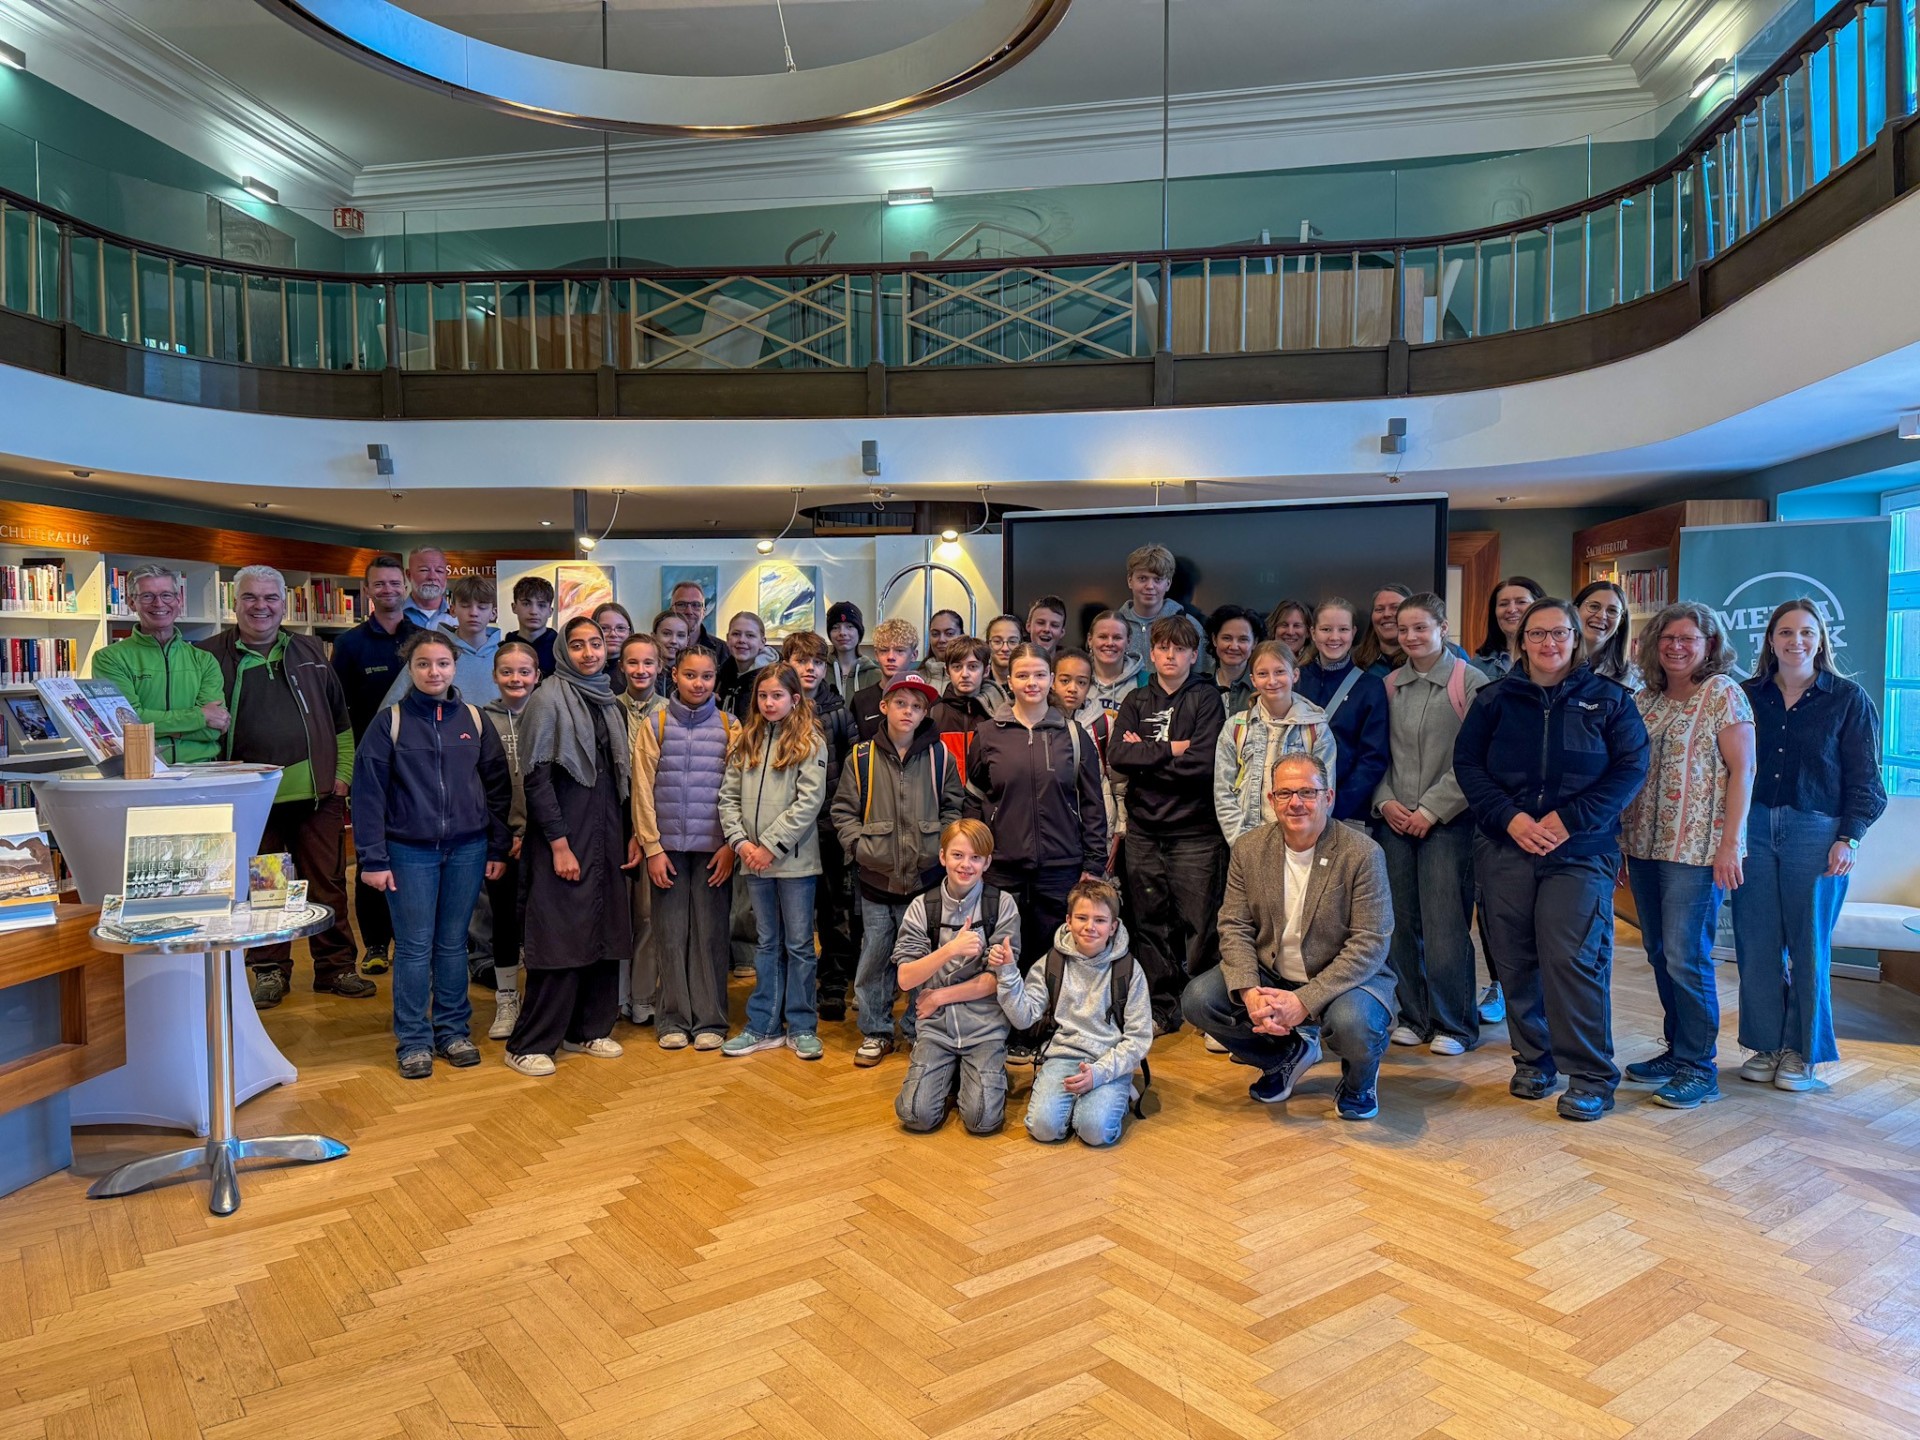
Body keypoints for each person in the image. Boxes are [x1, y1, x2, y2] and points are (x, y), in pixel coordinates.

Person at [1454, 597, 1649, 1121]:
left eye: (1559, 634)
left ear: (1575, 639)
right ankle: (1534, 1059)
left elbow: (1631, 768)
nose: (1548, 644)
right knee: (1515, 959)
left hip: (1579, 852)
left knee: (1572, 958)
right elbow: (1468, 765)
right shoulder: (1494, 699)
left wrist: (1569, 820)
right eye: (1536, 635)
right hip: (1506, 846)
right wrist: (1511, 819)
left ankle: (1590, 1076)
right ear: (1522, 642)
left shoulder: (1609, 700)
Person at [1182, 752, 1396, 1119]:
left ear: (1328, 798)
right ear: (1271, 800)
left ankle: (1360, 1081)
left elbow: (1370, 943)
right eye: (1284, 794)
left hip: (1343, 979)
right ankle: (1285, 1057)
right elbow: (1234, 925)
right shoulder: (1249, 849)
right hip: (1272, 972)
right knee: (1199, 999)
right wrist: (1249, 991)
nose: (1295, 803)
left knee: (1355, 1024)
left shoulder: (1362, 853)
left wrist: (1304, 1001)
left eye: (1307, 793)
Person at [1733, 600, 1887, 1093]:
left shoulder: (1847, 698)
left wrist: (1850, 837)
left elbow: (1867, 781)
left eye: (1805, 632)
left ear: (1821, 639)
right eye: (1784, 632)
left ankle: (1802, 1052)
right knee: (1756, 942)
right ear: (1770, 640)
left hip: (1817, 832)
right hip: (1752, 828)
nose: (1795, 641)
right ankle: (1766, 1045)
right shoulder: (1746, 695)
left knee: (1808, 944)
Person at [200, 565, 371, 1007]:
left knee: (328, 883)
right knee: (267, 888)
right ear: (234, 603)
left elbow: (340, 722)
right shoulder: (209, 656)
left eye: (270, 598)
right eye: (251, 598)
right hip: (253, 802)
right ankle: (270, 970)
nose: (261, 606)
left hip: (318, 796)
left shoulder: (311, 650)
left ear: (285, 603)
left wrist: (343, 776)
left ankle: (336, 968)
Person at [352, 630, 512, 1079]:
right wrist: (373, 859)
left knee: (452, 944)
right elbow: (367, 795)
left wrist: (497, 846)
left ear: (455, 666)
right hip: (408, 852)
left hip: (468, 848)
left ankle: (453, 1031)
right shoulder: (390, 723)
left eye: (442, 663)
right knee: (415, 948)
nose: (433, 672)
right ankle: (414, 1040)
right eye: (423, 664)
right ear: (411, 668)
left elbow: (497, 791)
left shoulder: (476, 721)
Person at [1621, 602, 1755, 1109]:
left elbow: (1743, 773)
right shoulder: (1645, 700)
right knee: (1659, 952)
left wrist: (1731, 844)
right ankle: (1677, 1052)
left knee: (1687, 957)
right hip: (1644, 846)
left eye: (1689, 639)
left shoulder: (1723, 694)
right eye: (1668, 638)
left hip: (1697, 851)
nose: (1677, 647)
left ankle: (1700, 1067)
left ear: (1710, 645)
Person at [503, 617, 639, 1075]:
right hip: (564, 836)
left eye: (595, 644)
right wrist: (560, 845)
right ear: (563, 652)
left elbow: (621, 777)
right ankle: (529, 1042)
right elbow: (537, 779)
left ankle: (588, 1030)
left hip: (606, 834)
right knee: (559, 939)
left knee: (602, 936)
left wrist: (631, 834)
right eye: (577, 645)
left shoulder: (608, 701)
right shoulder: (547, 700)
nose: (588, 653)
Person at [963, 643, 1107, 1058]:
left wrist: (1094, 863)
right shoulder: (988, 734)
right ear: (1008, 680)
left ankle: (1047, 1031)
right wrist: (978, 853)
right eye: (1022, 675)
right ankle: (1010, 1030)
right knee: (1008, 951)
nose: (1031, 683)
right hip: (1004, 867)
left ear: (1051, 680)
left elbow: (1094, 805)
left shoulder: (1074, 736)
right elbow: (974, 798)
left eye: (1040, 675)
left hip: (1062, 867)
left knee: (1053, 954)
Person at [1373, 593, 1490, 1056]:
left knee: (1445, 925)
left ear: (1443, 627)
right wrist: (1385, 803)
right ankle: (1412, 1015)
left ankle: (1454, 1023)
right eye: (1404, 630)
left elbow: (1475, 758)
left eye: (1421, 627)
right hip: (1395, 822)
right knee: (1399, 924)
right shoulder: (1388, 685)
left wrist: (1431, 809)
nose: (1411, 637)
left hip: (1449, 823)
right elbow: (1376, 753)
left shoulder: (1470, 682)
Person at [832, 673, 963, 1066]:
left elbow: (953, 810)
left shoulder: (941, 758)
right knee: (875, 956)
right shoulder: (860, 757)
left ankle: (916, 1027)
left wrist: (939, 847)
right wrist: (860, 847)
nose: (909, 711)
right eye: (901, 703)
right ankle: (875, 1030)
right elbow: (842, 811)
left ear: (926, 713)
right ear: (884, 707)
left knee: (921, 959)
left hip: (925, 881)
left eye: (917, 706)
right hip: (876, 880)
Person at [1107, 614, 1229, 1034]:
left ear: (1194, 655)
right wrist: (1173, 748)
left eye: (1179, 648)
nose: (1170, 655)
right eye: (1163, 647)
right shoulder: (1136, 701)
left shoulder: (1207, 698)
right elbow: (1118, 757)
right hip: (1144, 833)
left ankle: (1204, 1010)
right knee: (1149, 924)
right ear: (1152, 652)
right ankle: (1162, 1008)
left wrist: (1148, 756)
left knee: (1202, 926)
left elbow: (1203, 763)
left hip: (1196, 834)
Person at [715, 663, 829, 1060]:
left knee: (798, 945)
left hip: (793, 865)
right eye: (762, 696)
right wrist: (741, 843)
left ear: (794, 699)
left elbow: (808, 803)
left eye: (777, 696)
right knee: (767, 943)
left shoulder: (810, 741)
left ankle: (801, 1025)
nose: (768, 703)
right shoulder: (746, 740)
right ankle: (763, 1024)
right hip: (754, 862)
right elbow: (727, 798)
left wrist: (770, 845)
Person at [631, 645, 741, 1051]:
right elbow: (641, 789)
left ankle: (711, 1019)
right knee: (671, 934)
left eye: (707, 676)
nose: (699, 683)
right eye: (691, 675)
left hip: (715, 851)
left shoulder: (732, 727)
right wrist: (652, 847)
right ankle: (672, 1018)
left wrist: (732, 844)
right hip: (668, 853)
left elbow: (739, 792)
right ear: (674, 675)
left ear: (716, 680)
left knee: (711, 936)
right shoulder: (655, 724)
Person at [991, 878, 1151, 1148]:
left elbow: (1138, 1038)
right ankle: (1080, 1101)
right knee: (1043, 1128)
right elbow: (1023, 1017)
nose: (1090, 927)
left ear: (1113, 927)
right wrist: (1006, 973)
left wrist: (1098, 1074)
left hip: (1107, 1061)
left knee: (1094, 1132)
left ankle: (1118, 1094)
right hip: (1062, 1057)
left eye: (1100, 920)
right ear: (1068, 920)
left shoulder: (1129, 971)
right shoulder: (1051, 964)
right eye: (1082, 918)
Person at [892, 819, 1022, 1135]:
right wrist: (950, 949)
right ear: (942, 857)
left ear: (987, 862)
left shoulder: (1001, 904)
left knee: (982, 1121)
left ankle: (975, 1074)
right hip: (937, 1028)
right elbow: (906, 979)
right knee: (914, 1115)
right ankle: (951, 1072)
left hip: (984, 1027)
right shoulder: (922, 907)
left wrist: (938, 995)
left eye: (976, 857)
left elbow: (994, 981)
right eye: (958, 855)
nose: (966, 865)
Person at [323, 554, 416, 977]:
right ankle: (375, 944)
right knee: (371, 855)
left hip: (419, 768)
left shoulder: (426, 637)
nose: (388, 590)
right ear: (367, 591)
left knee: (415, 856)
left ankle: (411, 941)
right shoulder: (350, 645)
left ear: (407, 586)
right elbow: (335, 710)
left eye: (395, 583)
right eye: (379, 584)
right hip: (371, 767)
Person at [784, 631, 859, 1022]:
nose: (810, 668)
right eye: (801, 661)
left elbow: (854, 769)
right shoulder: (777, 706)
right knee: (793, 914)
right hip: (786, 830)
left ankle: (832, 985)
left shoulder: (838, 710)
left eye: (817, 662)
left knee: (833, 910)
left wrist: (843, 819)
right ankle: (793, 986)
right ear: (788, 665)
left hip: (828, 826)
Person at [92, 563, 227, 764]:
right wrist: (200, 717)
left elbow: (214, 728)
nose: (158, 603)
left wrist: (161, 728)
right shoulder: (109, 659)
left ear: (178, 600)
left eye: (167, 595)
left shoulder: (204, 660)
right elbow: (127, 723)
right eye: (147, 596)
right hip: (141, 770)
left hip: (202, 771)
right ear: (131, 603)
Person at [1214, 640, 1335, 843]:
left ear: (1294, 675)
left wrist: (1302, 842)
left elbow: (1324, 795)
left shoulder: (1316, 729)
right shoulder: (1236, 727)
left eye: (1280, 672)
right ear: (1253, 679)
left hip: (1301, 841)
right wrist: (1242, 844)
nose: (1272, 681)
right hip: (1249, 838)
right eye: (1263, 674)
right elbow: (1223, 792)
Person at [480, 640, 539, 1041]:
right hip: (499, 840)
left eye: (524, 671)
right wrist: (502, 838)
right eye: (507, 671)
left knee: (541, 923)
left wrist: (533, 832)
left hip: (543, 839)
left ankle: (539, 1002)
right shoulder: (480, 720)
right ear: (495, 676)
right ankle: (506, 999)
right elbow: (479, 788)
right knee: (503, 921)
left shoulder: (550, 715)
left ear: (538, 675)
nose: (515, 679)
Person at [1294, 598, 1391, 829]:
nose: (1334, 637)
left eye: (1343, 629)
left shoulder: (1370, 687)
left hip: (1347, 813)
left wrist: (1332, 807)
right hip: (1294, 808)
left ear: (1353, 632)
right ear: (1313, 632)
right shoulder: (1294, 681)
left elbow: (1373, 758)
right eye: (1326, 629)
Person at [615, 635, 668, 1027]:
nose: (640, 670)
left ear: (659, 667)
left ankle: (643, 995)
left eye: (648, 663)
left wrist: (644, 830)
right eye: (632, 663)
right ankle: (615, 996)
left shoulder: (670, 712)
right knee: (618, 915)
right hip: (612, 823)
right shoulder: (607, 709)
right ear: (621, 666)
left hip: (653, 824)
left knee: (648, 915)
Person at [380, 575, 500, 708]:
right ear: (453, 610)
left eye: (482, 607)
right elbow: (390, 709)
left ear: (493, 613)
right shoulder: (429, 653)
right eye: (465, 606)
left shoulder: (504, 658)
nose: (473, 613)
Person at [1114, 543, 1204, 671]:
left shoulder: (1189, 625)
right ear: (1130, 581)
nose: (1150, 586)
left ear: (1168, 583)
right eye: (1142, 578)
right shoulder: (1114, 626)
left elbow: (1201, 675)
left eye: (1157, 579)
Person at [929, 636, 994, 783]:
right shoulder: (935, 714)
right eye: (957, 667)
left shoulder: (995, 713)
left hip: (983, 800)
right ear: (947, 671)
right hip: (946, 800)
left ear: (986, 670)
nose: (964, 674)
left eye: (973, 666)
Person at [850, 616, 921, 741]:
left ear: (914, 655)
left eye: (899, 650)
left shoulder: (926, 700)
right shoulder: (860, 700)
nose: (891, 657)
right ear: (876, 655)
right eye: (884, 650)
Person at [1474, 575, 1544, 681]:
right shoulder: (1477, 666)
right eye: (1503, 604)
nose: (1511, 610)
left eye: (1521, 602)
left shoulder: (1552, 658)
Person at [1573, 580, 1635, 687]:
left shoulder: (1632, 679)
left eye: (1612, 610)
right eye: (1594, 606)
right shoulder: (1551, 664)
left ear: (1620, 622)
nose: (1601, 616)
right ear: (1575, 611)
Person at [1205, 605, 1264, 716]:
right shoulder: (1199, 682)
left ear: (1254, 643)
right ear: (1214, 639)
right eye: (1227, 638)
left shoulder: (1263, 686)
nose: (1234, 646)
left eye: (1243, 639)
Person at [1086, 611, 1146, 719]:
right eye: (1103, 637)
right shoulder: (1076, 677)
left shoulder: (1145, 681)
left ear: (1128, 641)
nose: (1109, 643)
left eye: (1117, 638)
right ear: (1090, 640)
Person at [717, 610, 777, 715]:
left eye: (750, 635)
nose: (742, 640)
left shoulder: (774, 678)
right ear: (727, 639)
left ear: (762, 642)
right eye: (736, 634)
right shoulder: (721, 675)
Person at [826, 600, 881, 700]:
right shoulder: (820, 671)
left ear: (859, 632)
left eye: (849, 627)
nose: (842, 632)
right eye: (835, 627)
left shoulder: (875, 675)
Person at [1355, 584, 1412, 675]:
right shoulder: (1354, 661)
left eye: (1395, 607)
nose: (1386, 614)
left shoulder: (1423, 660)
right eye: (1379, 609)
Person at [508, 574, 557, 676]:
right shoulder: (502, 650)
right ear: (514, 607)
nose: (534, 611)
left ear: (550, 611)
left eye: (541, 605)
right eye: (526, 604)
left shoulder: (562, 651)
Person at [403, 546, 455, 630]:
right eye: (424, 570)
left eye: (439, 571)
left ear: (446, 575)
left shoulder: (460, 618)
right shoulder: (393, 617)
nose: (432, 577)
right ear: (409, 575)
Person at [982, 615, 1023, 711]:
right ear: (987, 644)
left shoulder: (1029, 684)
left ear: (1021, 645)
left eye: (1012, 641)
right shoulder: (977, 681)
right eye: (997, 641)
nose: (1005, 648)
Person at [593, 603, 634, 694]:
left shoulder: (639, 669)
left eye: (620, 628)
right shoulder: (583, 670)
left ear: (630, 633)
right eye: (604, 628)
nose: (613, 634)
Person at [669, 579, 718, 653]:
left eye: (696, 605)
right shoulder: (657, 649)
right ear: (671, 611)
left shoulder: (722, 651)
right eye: (681, 604)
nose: (689, 611)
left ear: (704, 612)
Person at [922, 608, 965, 687]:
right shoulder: (916, 679)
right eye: (935, 634)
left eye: (949, 633)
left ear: (962, 636)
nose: (941, 640)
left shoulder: (971, 677)